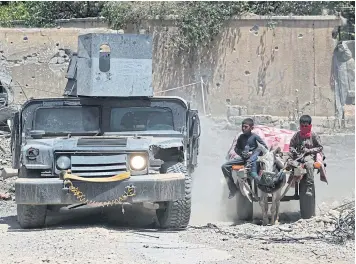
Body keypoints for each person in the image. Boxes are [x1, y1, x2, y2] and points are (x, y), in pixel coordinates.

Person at [221, 118, 268, 199]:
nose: (243, 128)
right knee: (224, 166)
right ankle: (232, 189)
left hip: (254, 160)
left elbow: (264, 148)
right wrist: (241, 152)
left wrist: (253, 153)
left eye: (246, 127)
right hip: (243, 159)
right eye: (242, 126)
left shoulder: (255, 137)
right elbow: (236, 148)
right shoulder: (241, 137)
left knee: (255, 171)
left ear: (251, 128)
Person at [288, 115, 323, 196]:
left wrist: (309, 150)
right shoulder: (297, 135)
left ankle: (309, 187)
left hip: (309, 156)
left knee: (309, 165)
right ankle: (292, 183)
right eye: (302, 126)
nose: (304, 127)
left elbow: (320, 147)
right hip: (298, 156)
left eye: (306, 126)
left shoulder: (313, 135)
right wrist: (293, 150)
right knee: (290, 164)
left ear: (309, 125)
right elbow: (291, 146)